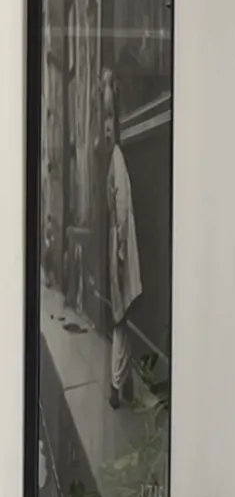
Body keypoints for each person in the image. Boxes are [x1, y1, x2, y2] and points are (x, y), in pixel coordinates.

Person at [102, 72, 142, 409]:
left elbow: (122, 207)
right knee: (121, 316)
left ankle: (120, 383)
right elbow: (120, 207)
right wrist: (118, 249)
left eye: (109, 124)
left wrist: (118, 249)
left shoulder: (116, 157)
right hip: (119, 243)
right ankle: (121, 383)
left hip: (121, 244)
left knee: (122, 316)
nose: (106, 131)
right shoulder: (114, 157)